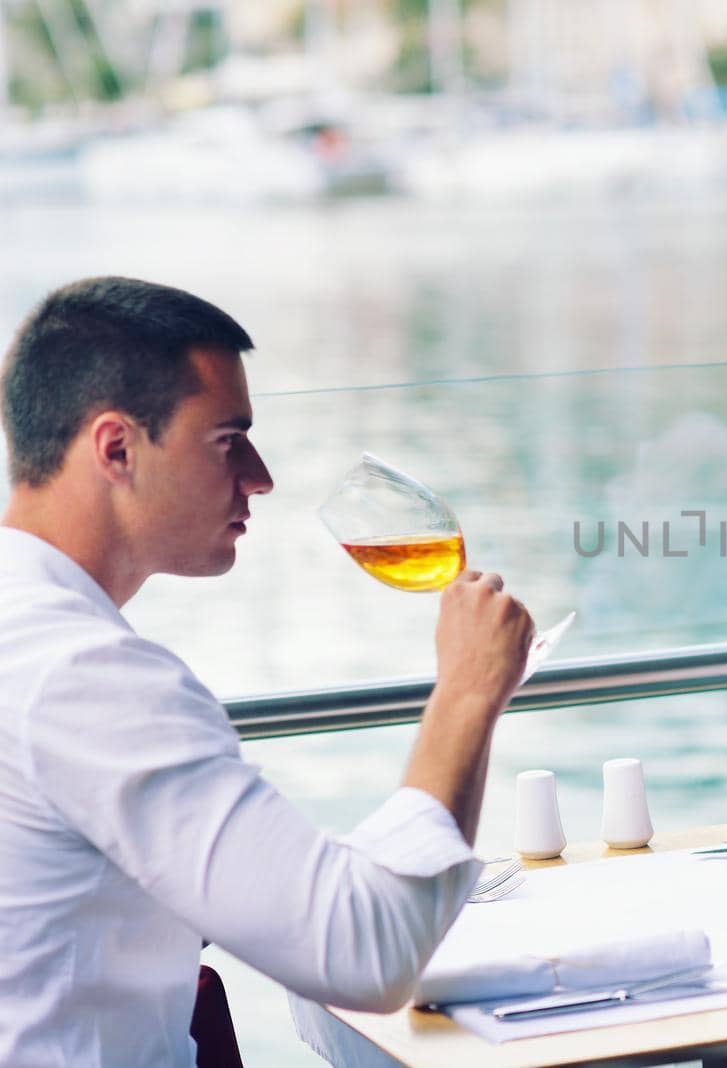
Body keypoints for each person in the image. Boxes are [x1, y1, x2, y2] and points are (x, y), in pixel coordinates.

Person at [0, 277, 535, 1065]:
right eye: (226, 439)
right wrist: (468, 690)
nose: (259, 476)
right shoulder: (85, 678)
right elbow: (365, 952)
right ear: (116, 448)